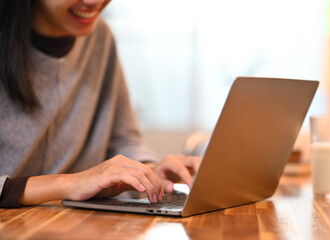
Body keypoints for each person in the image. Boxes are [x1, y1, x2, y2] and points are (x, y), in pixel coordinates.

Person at [0, 0, 201, 207]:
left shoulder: (100, 37)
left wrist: (145, 171)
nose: (94, 2)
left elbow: (123, 139)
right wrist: (69, 183)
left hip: (74, 223)